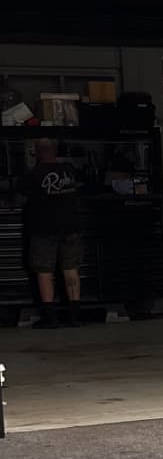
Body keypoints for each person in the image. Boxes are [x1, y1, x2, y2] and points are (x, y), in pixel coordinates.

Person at [25, 136, 86, 325]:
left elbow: (19, 196)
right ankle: (74, 316)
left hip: (44, 229)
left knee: (45, 272)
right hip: (71, 227)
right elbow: (81, 189)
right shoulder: (69, 171)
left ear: (39, 152)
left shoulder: (34, 174)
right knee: (71, 270)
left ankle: (50, 318)